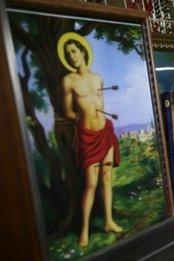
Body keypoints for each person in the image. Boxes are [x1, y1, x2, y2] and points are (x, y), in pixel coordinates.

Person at [60, 35, 123, 247]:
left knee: (106, 177)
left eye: (74, 51)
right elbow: (68, 111)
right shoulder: (68, 81)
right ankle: (84, 230)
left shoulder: (97, 79)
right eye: (68, 53)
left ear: (83, 52)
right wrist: (79, 117)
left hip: (105, 131)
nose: (72, 56)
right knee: (90, 183)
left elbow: (101, 103)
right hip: (87, 135)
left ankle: (108, 221)